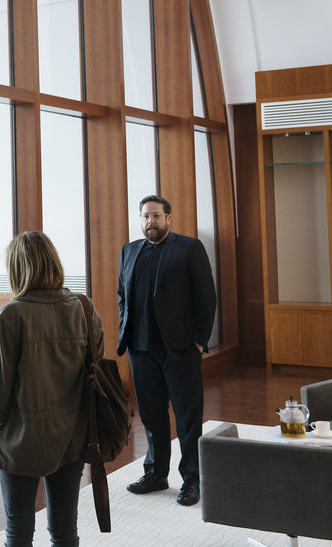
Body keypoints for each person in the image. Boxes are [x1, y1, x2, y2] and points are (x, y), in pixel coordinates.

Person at [0, 231, 104, 547]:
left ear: (17, 269)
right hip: (71, 437)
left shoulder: (12, 314)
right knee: (65, 530)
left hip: (21, 442)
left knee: (18, 531)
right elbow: (97, 372)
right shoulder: (83, 306)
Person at [117, 194, 216, 507]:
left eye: (157, 216)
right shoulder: (129, 251)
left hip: (180, 350)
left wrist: (198, 342)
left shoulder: (189, 248)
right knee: (152, 417)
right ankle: (156, 474)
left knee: (188, 419)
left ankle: (192, 480)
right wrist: (126, 332)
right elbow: (122, 294)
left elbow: (207, 298)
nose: (151, 222)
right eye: (146, 216)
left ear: (168, 218)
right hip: (140, 349)